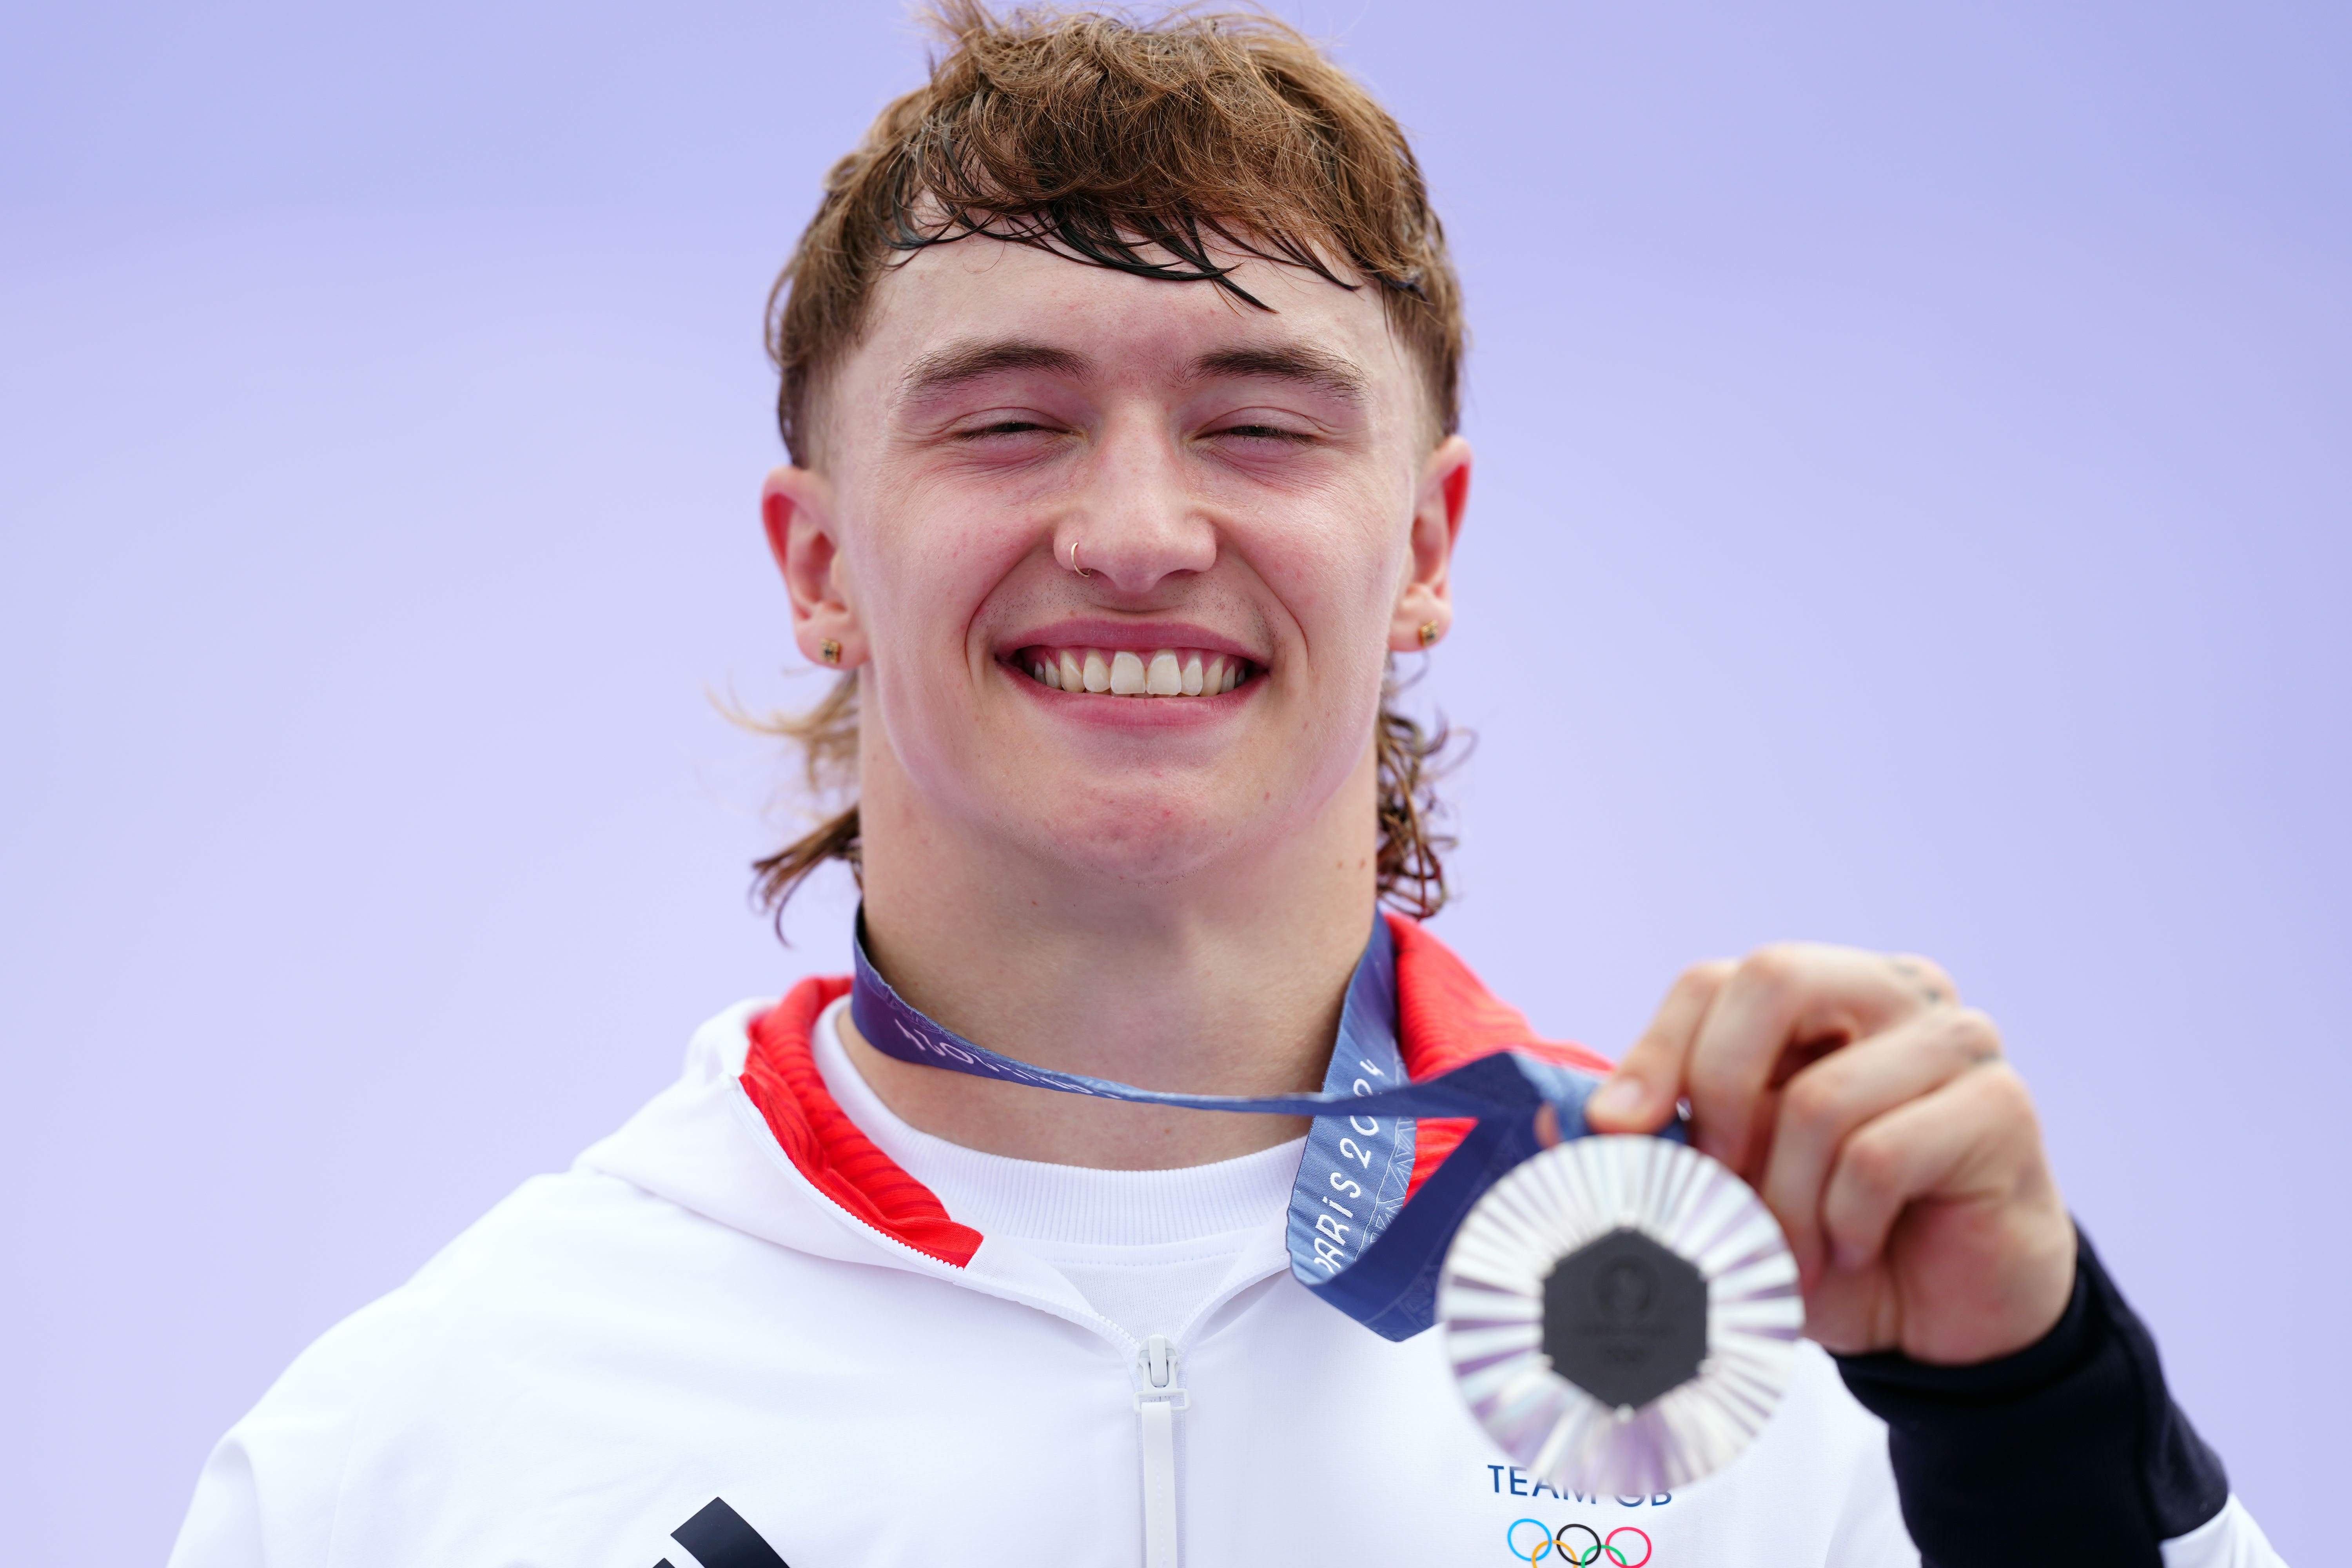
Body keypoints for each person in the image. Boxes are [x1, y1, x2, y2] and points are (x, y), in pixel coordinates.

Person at [169, 8, 2284, 1566]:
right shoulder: (428, 1451)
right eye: (1008, 423)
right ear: (818, 564)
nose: (1139, 530)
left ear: (1430, 544)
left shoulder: (1802, 1347)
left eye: (1260, 424)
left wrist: (2027, 1416)